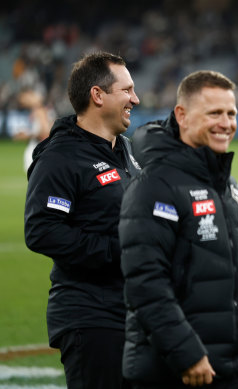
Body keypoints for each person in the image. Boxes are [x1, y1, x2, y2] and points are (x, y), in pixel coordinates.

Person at [118, 70, 238, 388]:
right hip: (175, 369)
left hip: (230, 364)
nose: (226, 123)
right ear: (182, 115)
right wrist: (187, 354)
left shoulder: (228, 187)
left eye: (231, 113)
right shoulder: (154, 186)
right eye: (214, 113)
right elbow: (146, 283)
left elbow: (236, 263)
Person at [24, 51, 141, 389]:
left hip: (135, 311)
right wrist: (121, 251)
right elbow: (43, 231)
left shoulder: (128, 151)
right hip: (90, 316)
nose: (136, 98)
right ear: (97, 95)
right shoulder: (60, 157)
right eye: (127, 90)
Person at [10, 88, 54, 172]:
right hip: (43, 148)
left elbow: (45, 131)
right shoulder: (43, 109)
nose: (24, 101)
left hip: (38, 148)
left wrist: (26, 135)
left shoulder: (39, 110)